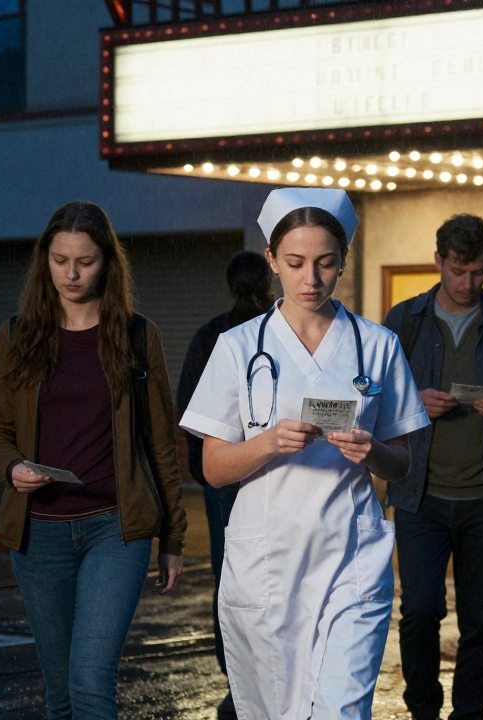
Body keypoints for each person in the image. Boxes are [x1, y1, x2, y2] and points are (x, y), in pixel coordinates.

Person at [179, 188, 428, 720]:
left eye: (325, 263)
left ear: (342, 263)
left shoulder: (377, 345)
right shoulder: (239, 347)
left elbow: (402, 460)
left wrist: (373, 449)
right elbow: (212, 468)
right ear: (271, 260)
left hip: (351, 558)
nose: (310, 279)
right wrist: (268, 442)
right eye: (294, 263)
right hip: (268, 562)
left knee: (342, 711)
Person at [0, 200, 187, 719]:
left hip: (116, 530)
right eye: (59, 259)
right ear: (44, 261)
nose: (71, 273)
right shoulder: (17, 336)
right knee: (62, 697)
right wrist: (12, 468)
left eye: (85, 261)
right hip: (39, 535)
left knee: (92, 683)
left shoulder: (139, 337)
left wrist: (173, 538)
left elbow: (161, 443)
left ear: (107, 264)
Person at [382, 214, 483, 720]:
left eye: (478, 272)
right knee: (419, 614)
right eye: (458, 271)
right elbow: (368, 401)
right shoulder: (404, 321)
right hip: (419, 498)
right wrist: (411, 402)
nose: (468, 283)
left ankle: (470, 713)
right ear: (438, 262)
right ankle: (423, 711)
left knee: (480, 622)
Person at [176, 250, 275, 720]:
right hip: (280, 477)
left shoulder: (211, 337)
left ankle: (238, 683)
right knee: (285, 580)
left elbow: (190, 415)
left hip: (225, 484)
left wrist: (208, 475)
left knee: (232, 585)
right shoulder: (280, 331)